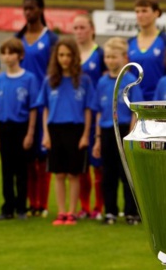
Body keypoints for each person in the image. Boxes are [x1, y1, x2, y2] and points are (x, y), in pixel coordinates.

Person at [35, 38, 93, 226]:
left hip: (75, 129)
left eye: (68, 55)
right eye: (61, 55)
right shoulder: (49, 81)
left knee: (73, 174)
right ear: (56, 57)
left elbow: (88, 109)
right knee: (58, 174)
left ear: (75, 57)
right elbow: (44, 108)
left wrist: (85, 135)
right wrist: (45, 133)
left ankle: (72, 212)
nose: (65, 59)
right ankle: (61, 212)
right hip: (55, 129)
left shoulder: (83, 80)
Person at [15, 0, 59, 218]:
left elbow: (55, 69)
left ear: (41, 9)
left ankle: (42, 203)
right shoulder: (18, 37)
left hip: (43, 102)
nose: (27, 12)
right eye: (25, 9)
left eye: (31, 8)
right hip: (23, 102)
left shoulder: (50, 39)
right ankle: (31, 202)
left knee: (43, 156)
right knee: (27, 156)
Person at [0, 38, 40, 220]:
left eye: (11, 53)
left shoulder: (29, 78)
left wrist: (30, 133)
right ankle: (7, 207)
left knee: (21, 170)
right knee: (6, 170)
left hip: (21, 128)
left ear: (20, 56)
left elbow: (33, 108)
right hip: (3, 127)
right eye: (4, 53)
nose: (7, 57)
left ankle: (21, 207)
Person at [91, 37, 143, 225]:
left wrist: (131, 136)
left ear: (124, 58)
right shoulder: (102, 82)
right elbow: (98, 112)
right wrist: (97, 139)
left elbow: (135, 111)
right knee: (108, 174)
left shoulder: (131, 81)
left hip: (125, 130)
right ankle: (110, 211)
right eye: (107, 57)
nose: (110, 61)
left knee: (127, 173)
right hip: (106, 130)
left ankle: (132, 212)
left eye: (114, 57)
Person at [72, 13, 106, 220]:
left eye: (82, 27)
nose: (78, 32)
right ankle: (83, 206)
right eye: (75, 28)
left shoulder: (100, 54)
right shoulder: (71, 55)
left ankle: (98, 206)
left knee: (98, 165)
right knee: (81, 165)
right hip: (77, 116)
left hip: (97, 116)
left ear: (92, 29)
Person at [128, 0, 166, 101]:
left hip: (159, 101)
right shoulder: (130, 42)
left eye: (144, 11)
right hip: (134, 101)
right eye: (137, 11)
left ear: (156, 13)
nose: (140, 15)